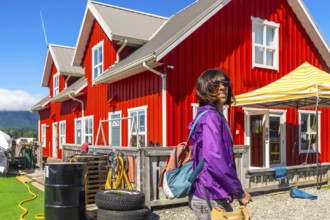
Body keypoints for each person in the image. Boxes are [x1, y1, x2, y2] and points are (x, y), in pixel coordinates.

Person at [188, 68, 251, 220]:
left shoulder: (210, 114)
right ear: (205, 87)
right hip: (211, 194)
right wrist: (239, 192)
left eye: (225, 83)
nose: (222, 87)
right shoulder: (211, 117)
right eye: (216, 84)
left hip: (210, 191)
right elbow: (216, 159)